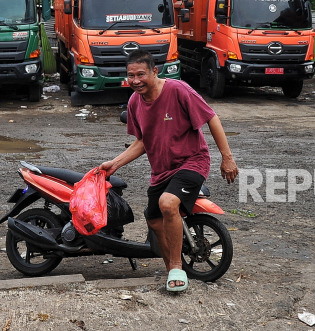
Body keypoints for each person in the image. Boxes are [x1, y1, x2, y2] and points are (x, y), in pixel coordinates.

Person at [100, 49, 238, 293]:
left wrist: (227, 158)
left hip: (192, 161)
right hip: (161, 170)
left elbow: (211, 118)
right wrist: (115, 163)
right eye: (130, 76)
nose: (135, 81)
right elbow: (142, 142)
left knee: (167, 203)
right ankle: (171, 270)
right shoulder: (134, 102)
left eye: (141, 74)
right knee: (153, 219)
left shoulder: (178, 90)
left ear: (155, 71)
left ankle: (176, 267)